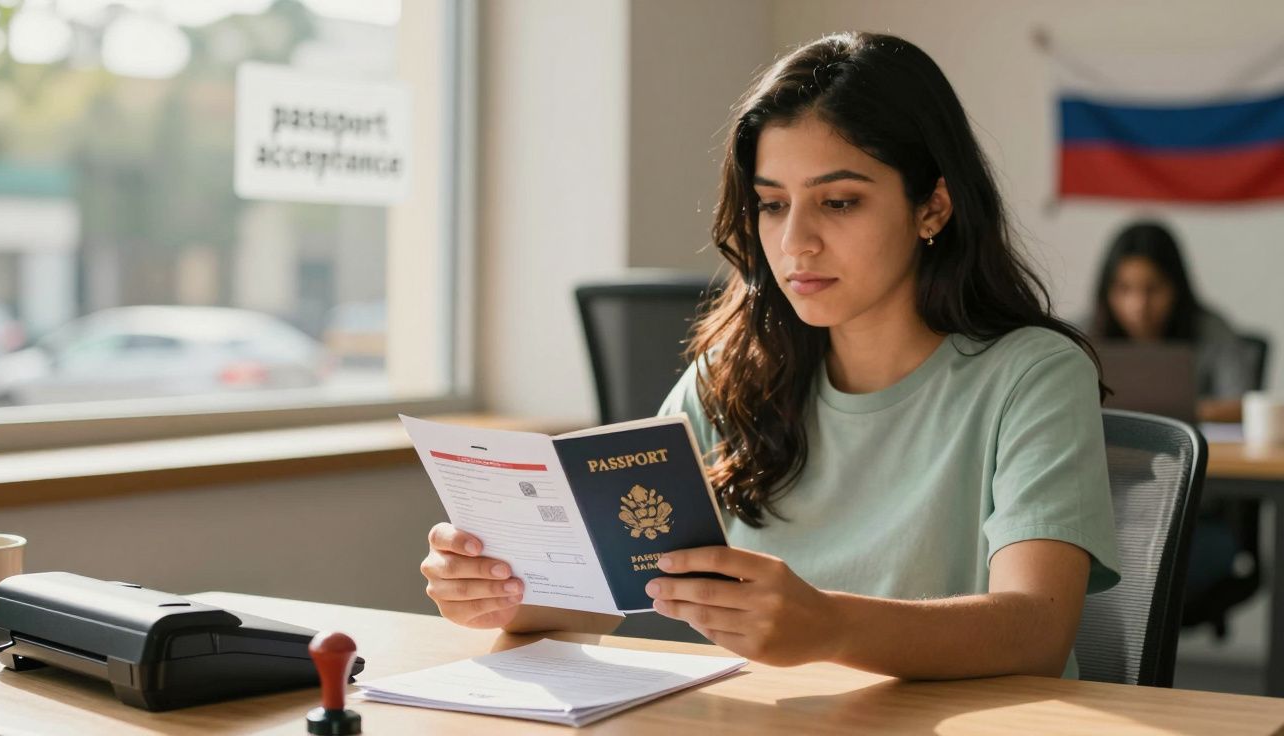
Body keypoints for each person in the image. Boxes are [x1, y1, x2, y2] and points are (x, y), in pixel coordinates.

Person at [420, 32, 1120, 680]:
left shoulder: (1033, 375)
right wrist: (503, 591)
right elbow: (610, 593)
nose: (795, 243)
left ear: (932, 207)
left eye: (838, 202)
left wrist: (832, 626)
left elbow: (1037, 628)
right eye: (772, 204)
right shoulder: (731, 377)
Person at [1089, 221, 1256, 422]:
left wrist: (1172, 414)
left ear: (1176, 288)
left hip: (1191, 441)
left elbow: (1243, 405)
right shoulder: (1082, 333)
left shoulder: (1211, 329)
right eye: (1124, 289)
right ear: (1106, 290)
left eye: (1153, 289)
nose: (1138, 305)